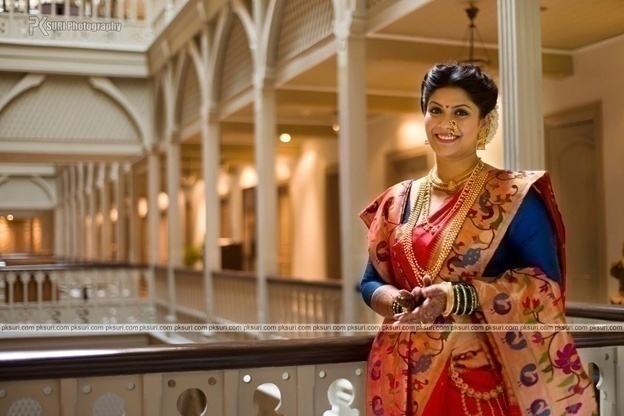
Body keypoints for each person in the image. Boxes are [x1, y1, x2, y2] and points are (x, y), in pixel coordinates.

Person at [359, 63, 598, 416]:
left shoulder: (513, 195)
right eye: (436, 110)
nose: (446, 123)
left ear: (483, 123)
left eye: (461, 112)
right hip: (401, 375)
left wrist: (457, 296)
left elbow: (545, 291)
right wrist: (399, 304)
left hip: (476, 381)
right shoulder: (398, 199)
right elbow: (370, 281)